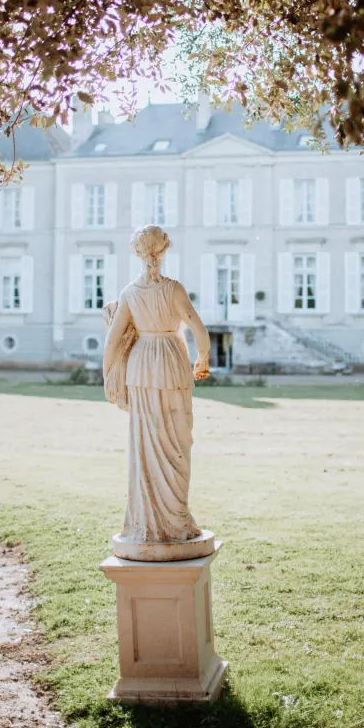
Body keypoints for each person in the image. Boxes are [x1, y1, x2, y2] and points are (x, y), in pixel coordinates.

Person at [102, 225, 210, 545]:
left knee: (146, 446)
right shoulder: (174, 289)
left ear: (138, 253)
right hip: (172, 362)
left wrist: (108, 374)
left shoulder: (130, 293)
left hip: (142, 366)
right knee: (178, 443)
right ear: (164, 251)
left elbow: (112, 340)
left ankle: (147, 522)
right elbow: (199, 330)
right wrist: (202, 359)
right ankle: (176, 518)